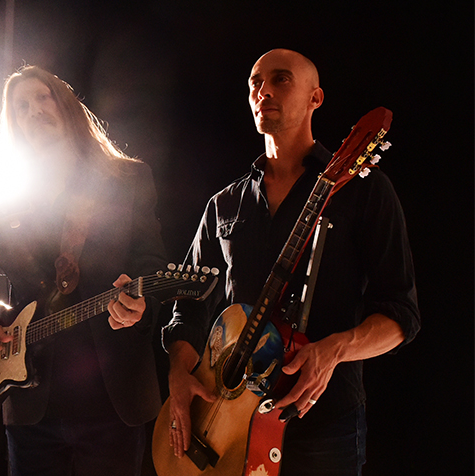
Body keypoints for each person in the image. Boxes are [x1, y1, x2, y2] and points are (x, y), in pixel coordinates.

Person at [162, 49, 420, 475]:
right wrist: (178, 371)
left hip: (321, 422)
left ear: (315, 98)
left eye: (281, 79)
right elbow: (186, 303)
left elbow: (401, 316)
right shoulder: (223, 204)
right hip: (224, 423)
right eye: (255, 83)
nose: (263, 91)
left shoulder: (364, 191)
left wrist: (335, 350)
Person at [0, 65, 168, 476]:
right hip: (31, 405)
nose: (33, 110)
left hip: (113, 402)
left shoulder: (127, 179)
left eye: (42, 97)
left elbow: (151, 265)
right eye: (21, 107)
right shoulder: (5, 200)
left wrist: (141, 304)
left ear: (66, 104)